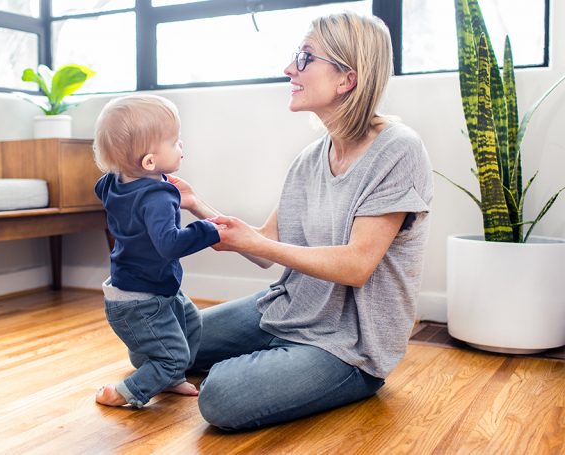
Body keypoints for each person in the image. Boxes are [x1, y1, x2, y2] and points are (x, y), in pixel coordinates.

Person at [169, 12, 434, 430]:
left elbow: (356, 266)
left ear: (347, 78)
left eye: (306, 58)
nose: (289, 68)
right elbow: (264, 245)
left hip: (349, 345)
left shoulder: (398, 150)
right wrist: (197, 204)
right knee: (164, 344)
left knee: (220, 396)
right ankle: (279, 357)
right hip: (289, 309)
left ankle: (306, 370)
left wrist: (254, 244)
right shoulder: (311, 158)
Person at [92, 94, 221, 408]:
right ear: (149, 162)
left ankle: (165, 373)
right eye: (175, 142)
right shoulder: (158, 197)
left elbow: (103, 186)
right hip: (142, 300)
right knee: (176, 358)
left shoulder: (113, 182)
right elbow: (169, 244)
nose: (181, 146)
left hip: (146, 289)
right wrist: (207, 230)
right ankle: (127, 391)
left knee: (192, 322)